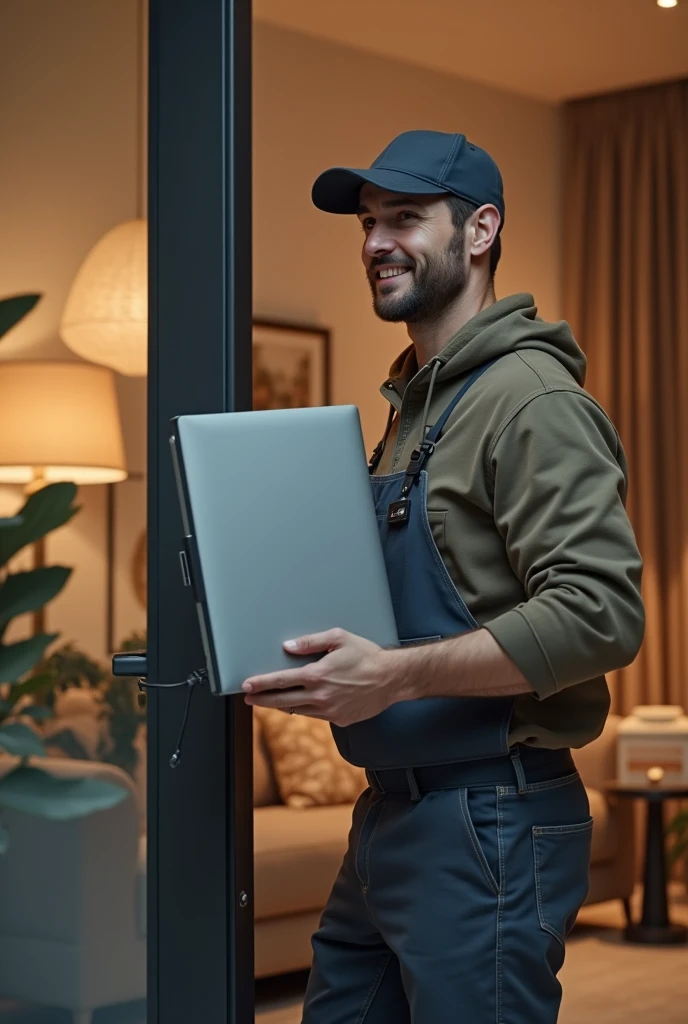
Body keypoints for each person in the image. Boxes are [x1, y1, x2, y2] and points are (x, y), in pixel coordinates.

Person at [242, 130, 645, 1023]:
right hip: (389, 815)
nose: (377, 241)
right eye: (368, 222)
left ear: (480, 231)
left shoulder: (531, 401)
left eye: (406, 218)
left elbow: (601, 614)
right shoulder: (416, 405)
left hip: (490, 819)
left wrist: (394, 675)